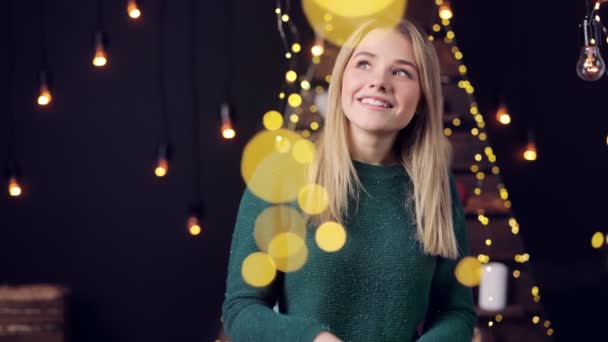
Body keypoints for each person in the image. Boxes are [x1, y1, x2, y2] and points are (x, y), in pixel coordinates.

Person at [222, 18, 476, 342]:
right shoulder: (280, 176)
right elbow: (241, 308)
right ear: (342, 77)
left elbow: (457, 312)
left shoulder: (437, 188)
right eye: (364, 63)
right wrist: (314, 340)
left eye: (401, 72)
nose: (379, 82)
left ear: (422, 98)